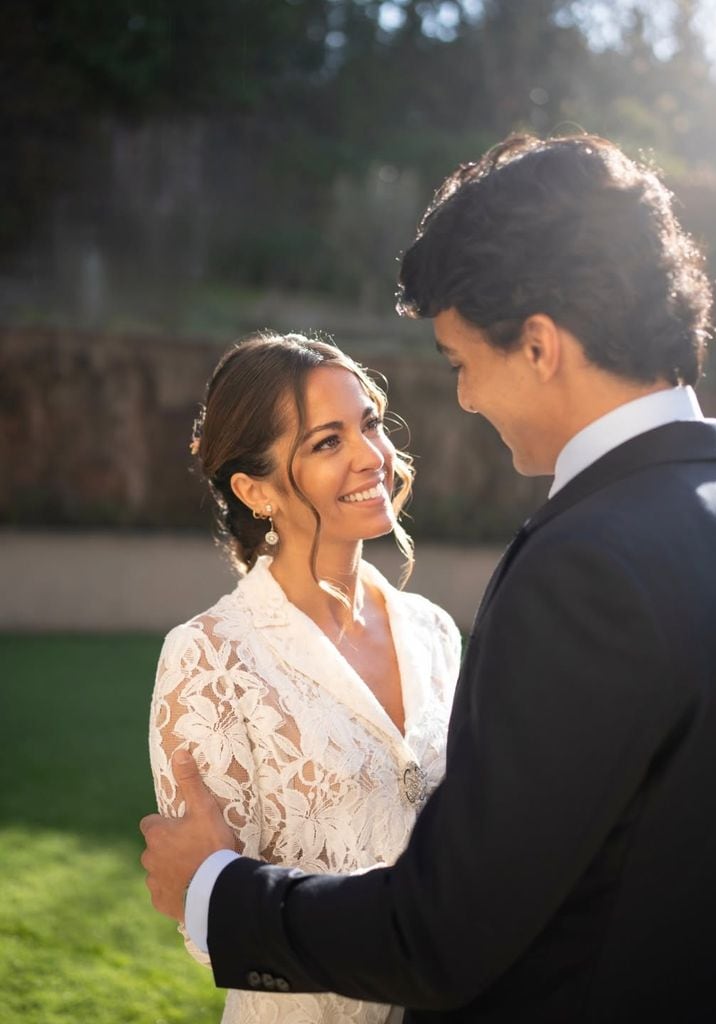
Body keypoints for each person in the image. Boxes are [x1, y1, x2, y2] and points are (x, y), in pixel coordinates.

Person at [141, 135, 716, 1023]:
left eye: (463, 362)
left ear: (540, 345)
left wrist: (215, 892)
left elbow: (444, 933)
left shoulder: (584, 567)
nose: (465, 399)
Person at [147, 332, 461, 1024]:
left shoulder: (435, 633)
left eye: (369, 424)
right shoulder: (210, 657)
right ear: (254, 489)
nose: (370, 457)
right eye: (327, 442)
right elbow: (205, 914)